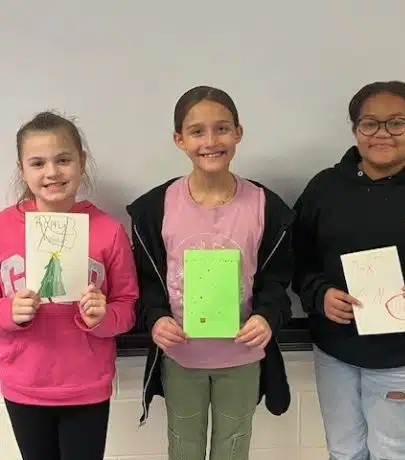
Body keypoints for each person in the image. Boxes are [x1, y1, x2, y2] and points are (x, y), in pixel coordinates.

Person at [292, 80, 405, 460]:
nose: (382, 133)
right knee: (343, 450)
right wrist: (319, 294)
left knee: (391, 451)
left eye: (397, 123)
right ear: (355, 130)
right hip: (336, 348)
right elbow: (296, 258)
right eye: (370, 123)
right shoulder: (325, 188)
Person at [127, 85, 294, 460]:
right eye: (197, 131)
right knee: (183, 447)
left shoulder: (266, 206)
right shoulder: (155, 208)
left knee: (233, 448)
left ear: (238, 133)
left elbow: (277, 281)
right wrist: (155, 318)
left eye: (222, 129)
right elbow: (146, 282)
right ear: (179, 139)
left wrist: (267, 316)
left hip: (242, 357)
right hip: (181, 356)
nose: (210, 141)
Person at [0, 112, 138, 460]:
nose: (52, 172)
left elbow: (127, 307)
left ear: (81, 162)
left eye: (63, 160)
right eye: (38, 163)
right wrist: (8, 311)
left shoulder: (108, 231)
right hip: (24, 384)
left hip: (86, 386)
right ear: (22, 169)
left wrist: (103, 317)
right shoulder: (3, 228)